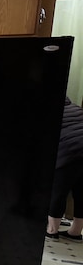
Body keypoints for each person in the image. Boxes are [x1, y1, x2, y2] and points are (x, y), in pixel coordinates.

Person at [46, 97, 83, 241]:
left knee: (59, 191)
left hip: (69, 152)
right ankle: (76, 231)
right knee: (81, 193)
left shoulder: (50, 111)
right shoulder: (75, 108)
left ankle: (52, 230)